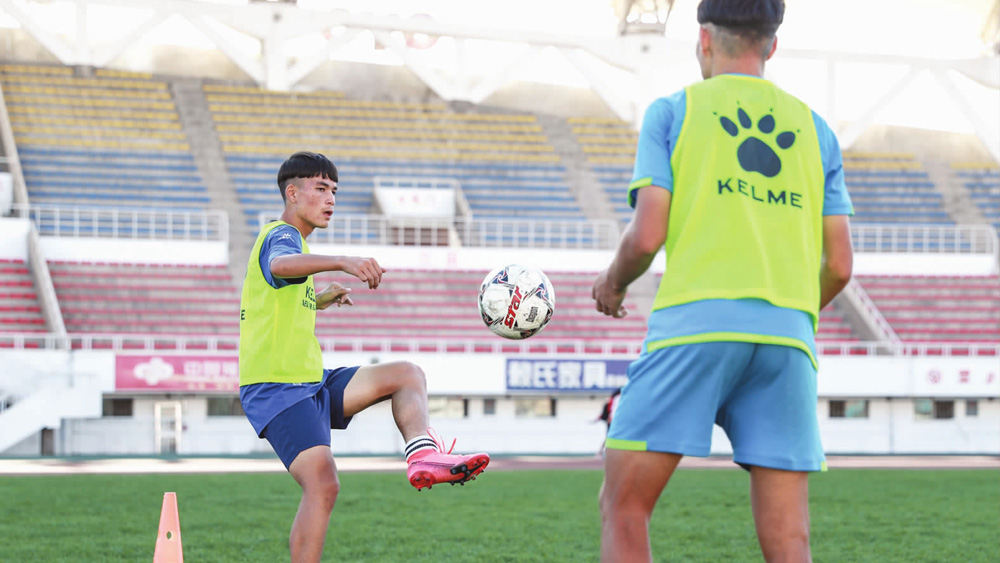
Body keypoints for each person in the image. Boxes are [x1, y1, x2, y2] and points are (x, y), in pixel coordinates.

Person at [591, 1, 854, 561]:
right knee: (789, 540)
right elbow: (839, 266)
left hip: (695, 329)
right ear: (772, 45)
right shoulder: (817, 131)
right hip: (787, 339)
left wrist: (612, 285)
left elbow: (646, 236)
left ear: (704, 39)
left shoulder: (674, 111)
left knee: (625, 506)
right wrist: (789, 312)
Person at [238, 151, 490, 563]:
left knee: (406, 374)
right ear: (292, 193)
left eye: (334, 191)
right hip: (277, 388)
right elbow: (280, 265)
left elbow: (279, 296)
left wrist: (319, 298)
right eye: (321, 188)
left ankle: (422, 455)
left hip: (311, 381)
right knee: (323, 485)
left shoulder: (298, 246)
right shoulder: (281, 235)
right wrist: (343, 261)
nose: (330, 199)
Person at [595, 388, 622, 458]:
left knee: (610, 437)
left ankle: (602, 452)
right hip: (614, 421)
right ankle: (603, 452)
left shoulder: (612, 399)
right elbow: (611, 410)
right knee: (611, 437)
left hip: (612, 420)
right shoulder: (618, 399)